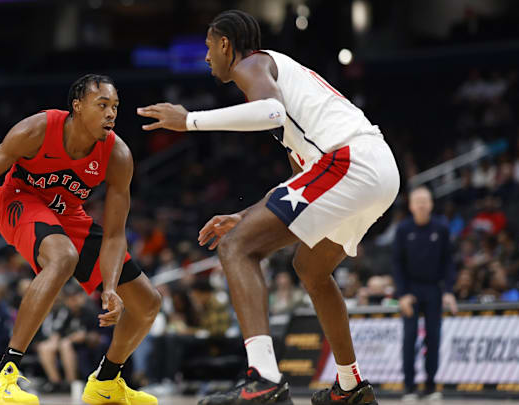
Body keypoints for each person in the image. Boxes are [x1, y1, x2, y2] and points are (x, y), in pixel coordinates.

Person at [137, 10, 399, 405]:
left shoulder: (253, 63)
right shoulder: (287, 93)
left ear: (226, 44)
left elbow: (270, 113)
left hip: (352, 161)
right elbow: (299, 182)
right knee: (310, 268)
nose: (207, 58)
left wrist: (189, 120)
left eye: (209, 48)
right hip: (375, 170)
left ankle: (264, 379)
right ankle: (350, 387)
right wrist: (245, 216)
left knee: (236, 248)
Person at [0, 74, 161, 405]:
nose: (111, 114)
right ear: (77, 107)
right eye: (102, 105)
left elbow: (116, 233)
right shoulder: (35, 131)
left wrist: (111, 287)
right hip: (19, 201)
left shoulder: (117, 154)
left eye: (115, 106)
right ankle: (2, 377)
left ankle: (106, 382)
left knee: (147, 302)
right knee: (63, 257)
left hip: (69, 214)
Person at [392, 186, 457, 401]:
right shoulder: (403, 229)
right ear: (410, 205)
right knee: (409, 337)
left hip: (433, 289)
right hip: (410, 290)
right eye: (417, 201)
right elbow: (397, 264)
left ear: (430, 204)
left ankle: (430, 385)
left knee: (434, 337)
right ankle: (409, 387)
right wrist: (402, 294)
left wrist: (448, 291)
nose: (421, 204)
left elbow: (448, 262)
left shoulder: (441, 228)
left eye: (424, 200)